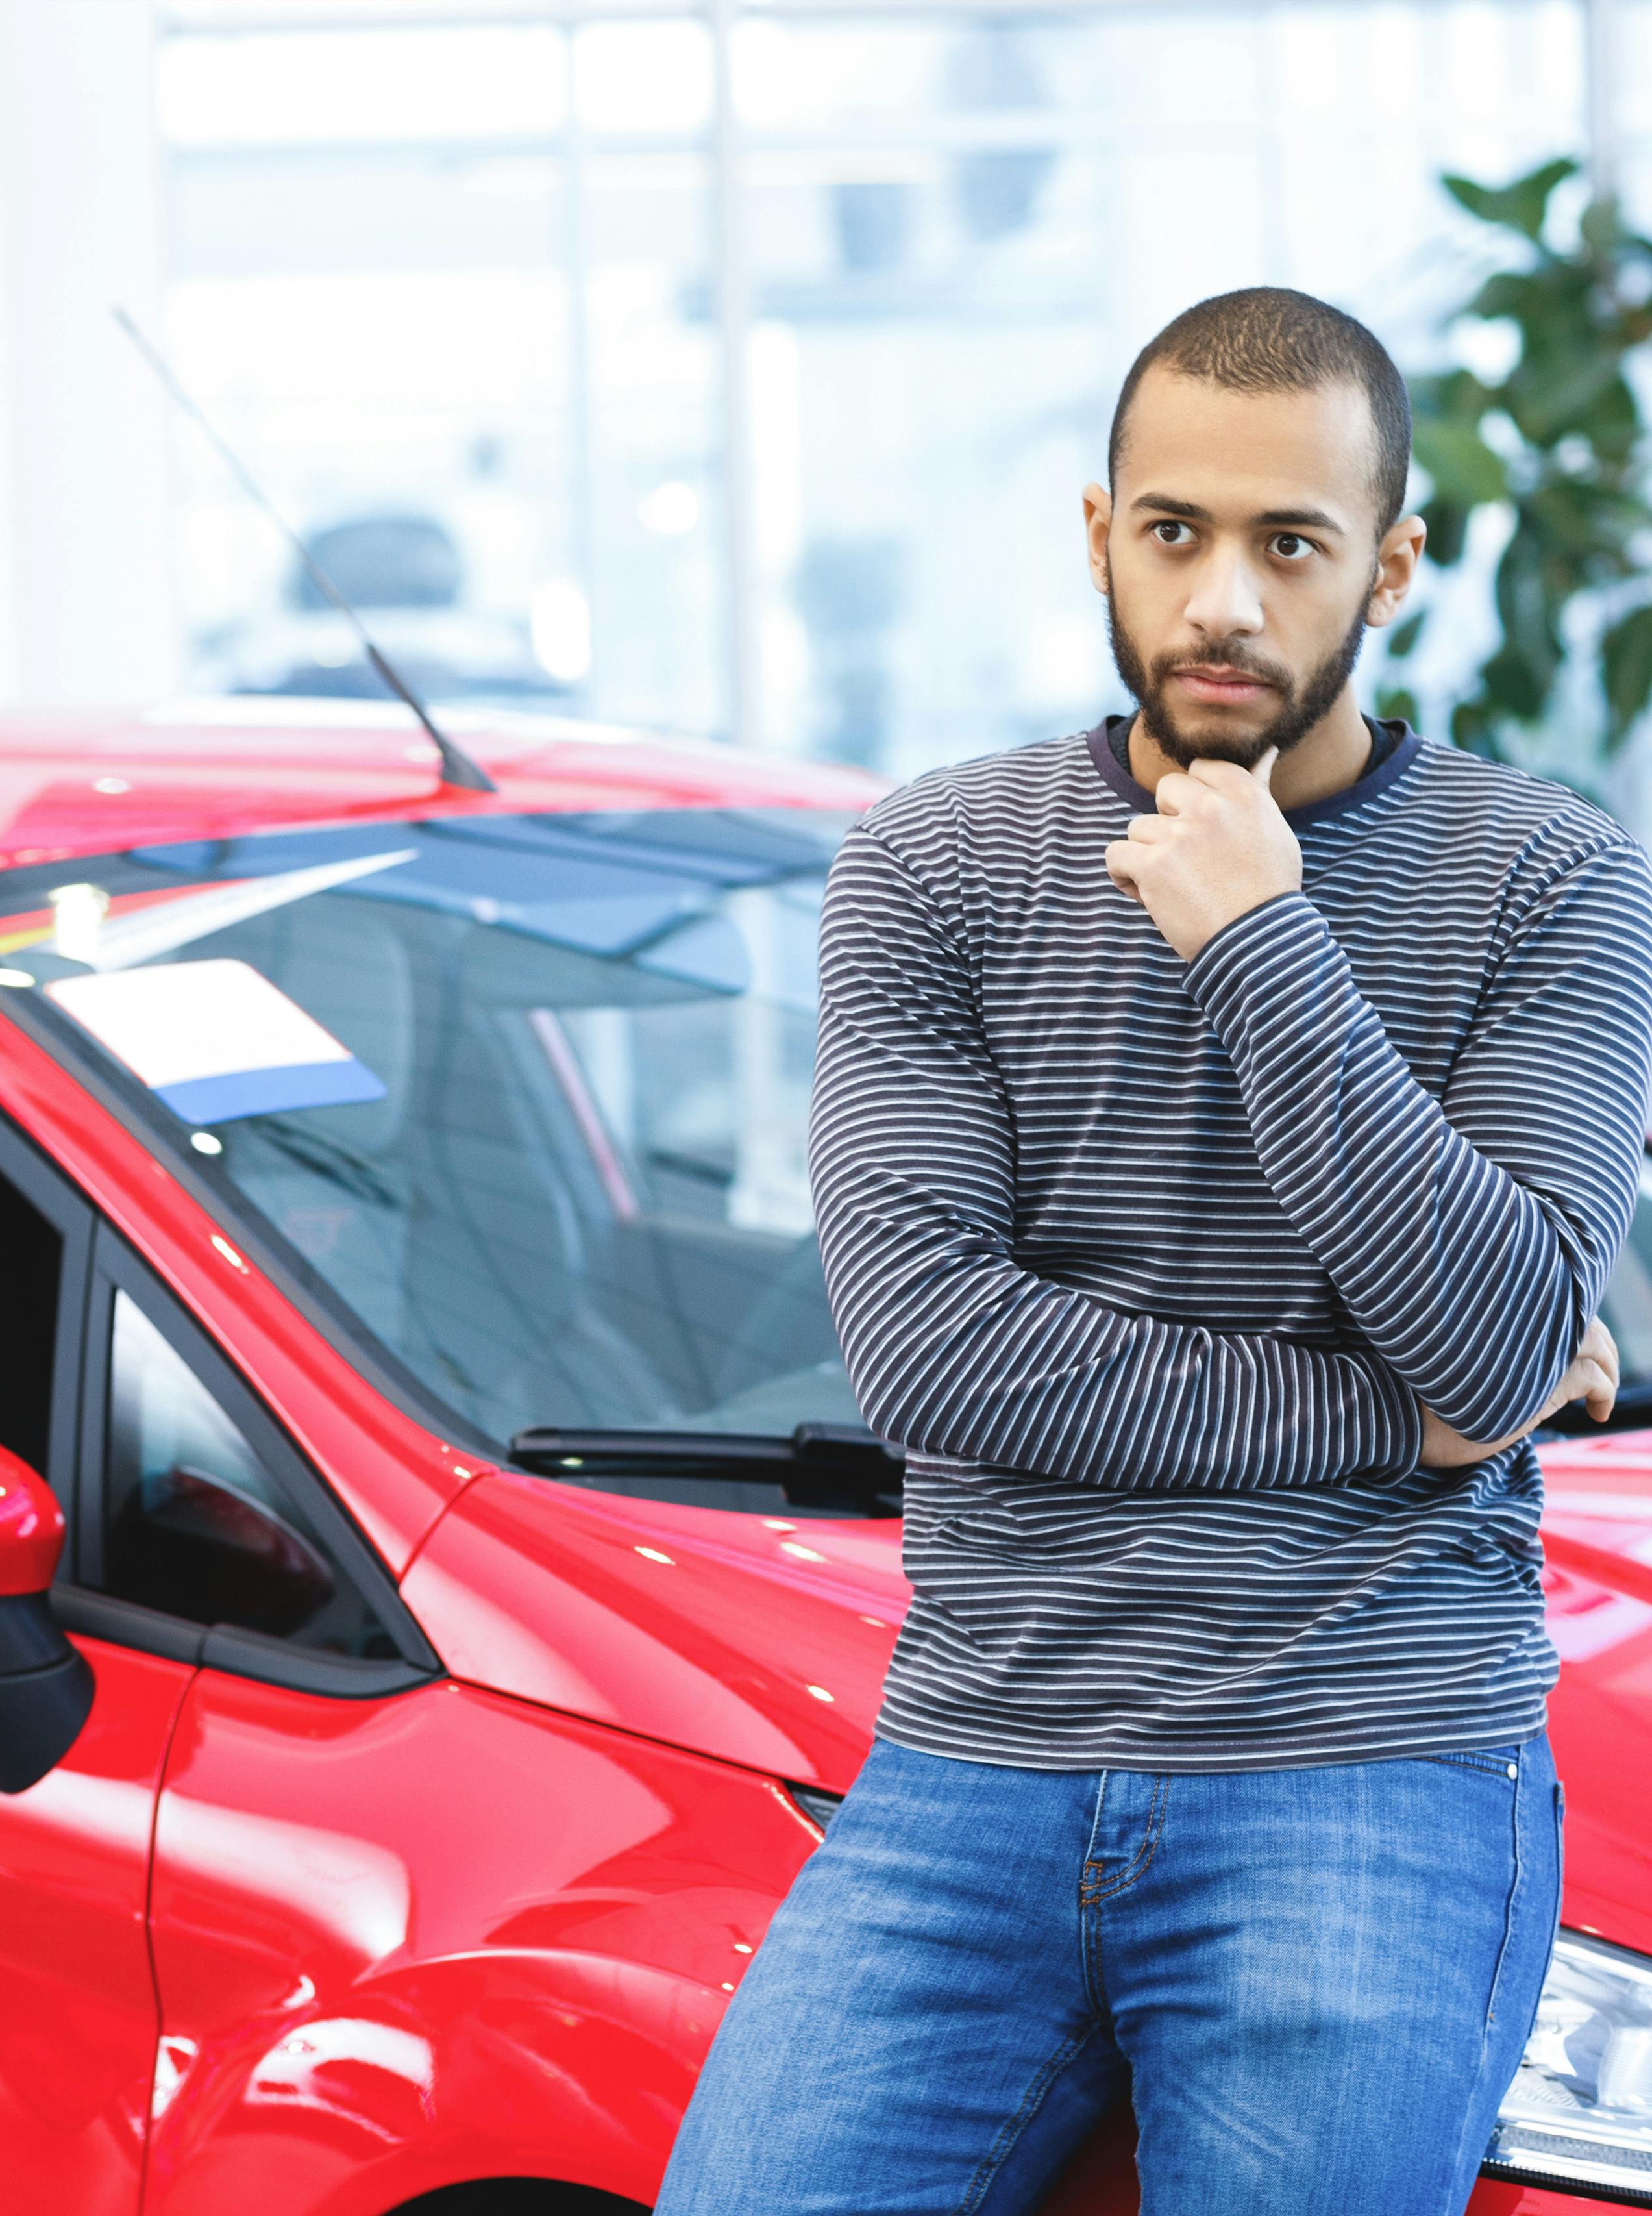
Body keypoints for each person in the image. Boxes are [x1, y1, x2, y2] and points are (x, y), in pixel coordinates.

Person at [654, 287, 1652, 2216]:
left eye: (1291, 546)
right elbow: (939, 1357)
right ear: (1098, 529)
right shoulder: (939, 861)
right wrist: (1424, 1420)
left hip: (1365, 1758)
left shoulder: (1551, 876)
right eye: (1175, 532)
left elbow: (1511, 1327)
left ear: (1393, 565)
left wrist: (1264, 946)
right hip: (977, 1756)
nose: (1222, 604)